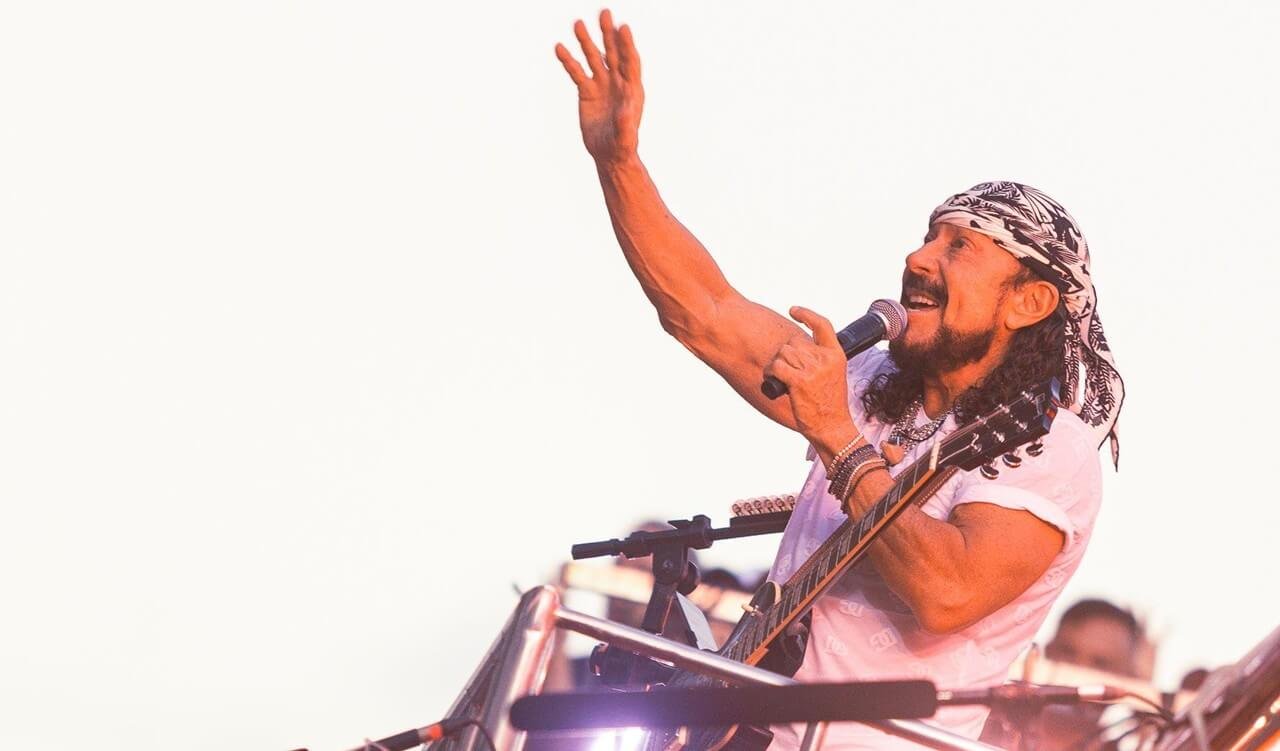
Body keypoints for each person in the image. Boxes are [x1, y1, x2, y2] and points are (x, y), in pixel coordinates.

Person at [554, 11, 1124, 749]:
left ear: (1029, 301)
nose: (919, 259)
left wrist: (837, 437)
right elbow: (704, 310)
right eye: (928, 236)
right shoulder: (871, 383)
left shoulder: (1050, 449)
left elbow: (948, 593)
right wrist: (619, 162)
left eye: (960, 248)